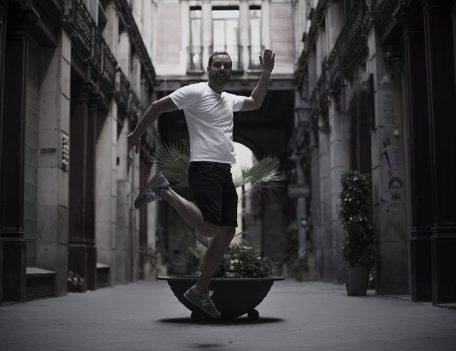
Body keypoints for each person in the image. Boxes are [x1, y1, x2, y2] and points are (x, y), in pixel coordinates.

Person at [127, 49, 275, 319]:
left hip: (223, 170)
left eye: (226, 65)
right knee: (209, 227)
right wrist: (137, 133)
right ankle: (163, 189)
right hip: (203, 167)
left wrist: (265, 73)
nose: (222, 68)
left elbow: (255, 101)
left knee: (228, 230)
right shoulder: (194, 92)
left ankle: (199, 290)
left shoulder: (229, 99)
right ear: (209, 69)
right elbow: (157, 106)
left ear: (230, 71)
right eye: (217, 64)